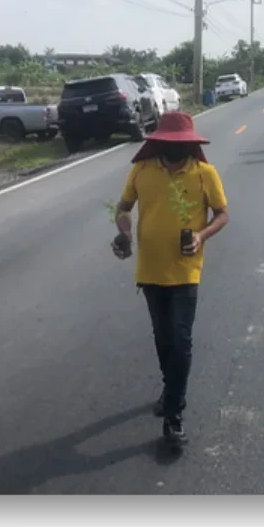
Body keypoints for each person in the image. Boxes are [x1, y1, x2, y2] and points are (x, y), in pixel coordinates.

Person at [111, 111, 230, 446]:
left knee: (180, 340)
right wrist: (123, 232)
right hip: (149, 270)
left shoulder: (205, 173)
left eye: (183, 144)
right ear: (159, 142)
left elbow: (223, 214)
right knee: (163, 338)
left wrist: (202, 235)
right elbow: (122, 207)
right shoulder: (142, 170)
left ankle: (175, 414)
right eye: (169, 143)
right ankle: (170, 388)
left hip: (185, 270)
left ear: (191, 144)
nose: (176, 150)